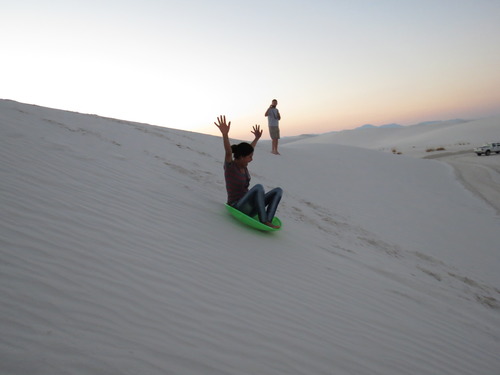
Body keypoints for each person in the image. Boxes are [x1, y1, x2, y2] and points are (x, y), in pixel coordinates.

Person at [214, 115, 282, 229]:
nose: (251, 159)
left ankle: (268, 219)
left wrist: (256, 138)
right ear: (240, 157)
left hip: (249, 206)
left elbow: (250, 148)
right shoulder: (231, 167)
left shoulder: (244, 166)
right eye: (249, 157)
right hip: (237, 205)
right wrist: (225, 134)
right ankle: (264, 220)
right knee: (259, 187)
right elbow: (228, 152)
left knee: (278, 191)